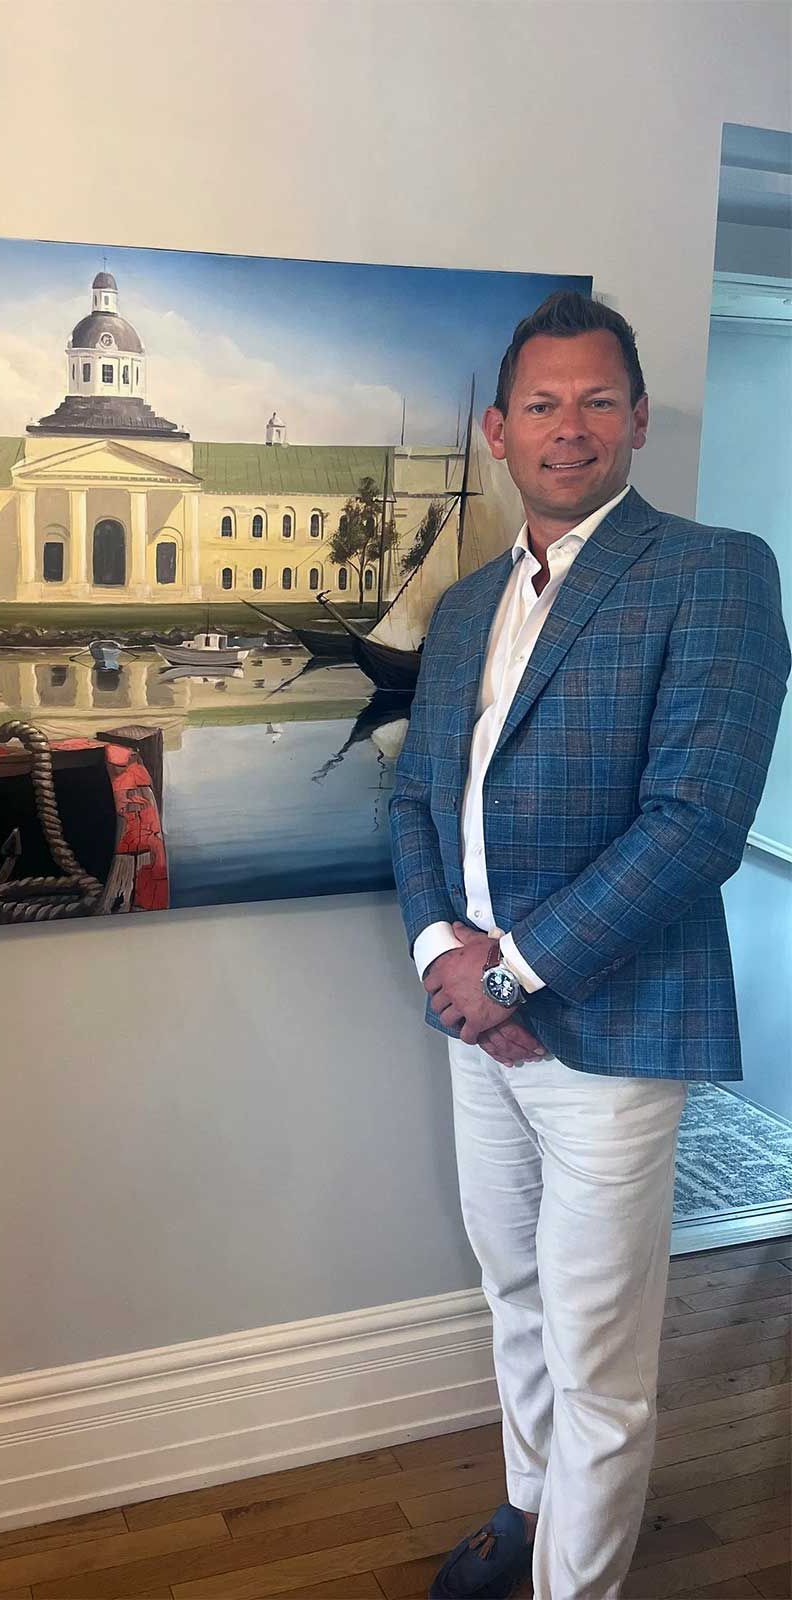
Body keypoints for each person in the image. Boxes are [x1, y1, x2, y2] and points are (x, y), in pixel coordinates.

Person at [388, 290, 790, 1600]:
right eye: (544, 404)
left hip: (612, 1031)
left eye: (598, 401)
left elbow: (696, 825)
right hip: (474, 1024)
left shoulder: (717, 573)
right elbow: (417, 803)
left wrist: (510, 973)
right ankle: (526, 1514)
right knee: (512, 1291)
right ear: (500, 431)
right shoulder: (465, 608)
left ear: (638, 419)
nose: (571, 428)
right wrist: (442, 960)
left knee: (600, 1356)